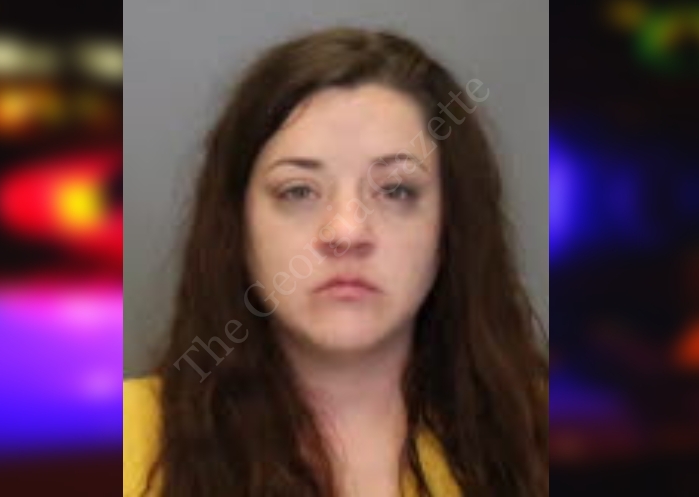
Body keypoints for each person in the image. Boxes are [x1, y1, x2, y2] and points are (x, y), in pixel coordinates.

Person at [124, 27, 547, 497]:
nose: (347, 233)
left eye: (395, 190)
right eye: (298, 191)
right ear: (236, 225)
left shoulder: (548, 433)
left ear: (450, 227)